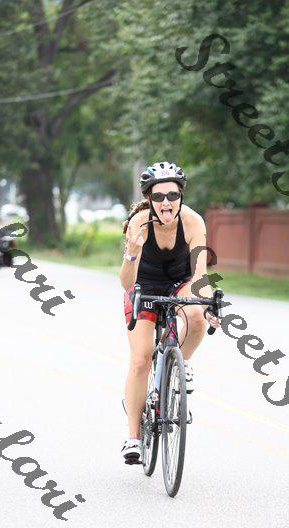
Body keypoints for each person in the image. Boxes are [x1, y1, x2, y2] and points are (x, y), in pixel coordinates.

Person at [120, 161, 220, 464]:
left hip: (179, 282)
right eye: (159, 196)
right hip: (143, 285)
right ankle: (133, 437)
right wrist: (131, 253)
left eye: (173, 195)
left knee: (196, 317)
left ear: (181, 196)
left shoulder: (193, 222)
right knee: (140, 359)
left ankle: (179, 363)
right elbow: (126, 282)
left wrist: (207, 304)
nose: (166, 202)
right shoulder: (139, 222)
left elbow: (199, 275)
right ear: (149, 198)